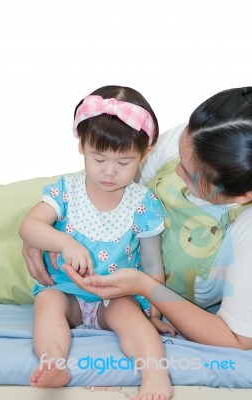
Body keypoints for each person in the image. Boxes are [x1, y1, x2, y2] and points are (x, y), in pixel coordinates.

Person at [22, 86, 252, 355]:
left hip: (125, 293)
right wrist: (44, 231)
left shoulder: (245, 231)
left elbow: (238, 340)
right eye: (180, 151)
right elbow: (107, 171)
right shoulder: (206, 135)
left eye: (189, 177)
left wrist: (147, 289)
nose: (176, 169)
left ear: (243, 196)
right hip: (64, 257)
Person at [19, 85, 175, 400]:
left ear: (143, 156)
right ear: (82, 147)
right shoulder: (65, 190)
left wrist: (156, 312)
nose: (108, 172)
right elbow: (30, 227)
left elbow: (152, 265)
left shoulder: (143, 202)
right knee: (47, 303)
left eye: (124, 162)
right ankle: (53, 361)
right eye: (98, 158)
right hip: (68, 295)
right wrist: (63, 242)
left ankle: (155, 374)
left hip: (116, 297)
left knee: (131, 317)